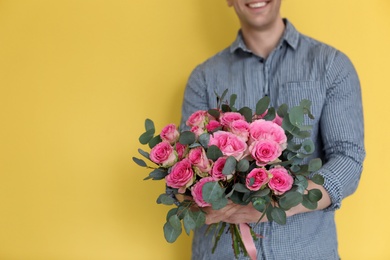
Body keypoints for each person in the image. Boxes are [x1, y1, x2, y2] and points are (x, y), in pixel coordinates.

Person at [179, 0, 365, 259]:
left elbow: (348, 161)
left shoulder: (331, 66)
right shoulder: (204, 78)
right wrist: (202, 196)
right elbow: (183, 172)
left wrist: (276, 205)